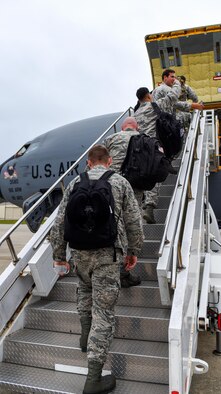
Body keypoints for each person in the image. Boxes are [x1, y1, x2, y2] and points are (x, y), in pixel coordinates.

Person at [50, 145, 144, 394]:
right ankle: (93, 378)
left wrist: (59, 255)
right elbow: (134, 220)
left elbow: (60, 222)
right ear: (110, 161)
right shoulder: (120, 182)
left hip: (80, 253)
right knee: (104, 313)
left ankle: (84, 336)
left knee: (84, 289)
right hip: (108, 254)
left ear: (89, 163)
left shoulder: (73, 184)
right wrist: (134, 251)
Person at [134, 86, 204, 224]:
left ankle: (143, 203)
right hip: (154, 146)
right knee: (155, 175)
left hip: (141, 147)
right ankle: (149, 206)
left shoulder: (135, 113)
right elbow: (172, 97)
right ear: (148, 96)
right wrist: (177, 83)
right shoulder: (153, 105)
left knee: (145, 174)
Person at [104, 117, 143, 288]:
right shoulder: (144, 138)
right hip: (135, 186)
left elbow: (97, 162)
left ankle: (109, 267)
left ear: (122, 127)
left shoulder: (111, 139)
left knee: (113, 224)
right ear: (137, 127)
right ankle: (123, 271)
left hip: (111, 186)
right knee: (131, 225)